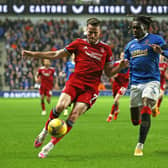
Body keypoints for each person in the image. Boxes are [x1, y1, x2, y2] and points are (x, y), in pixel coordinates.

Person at [22, 17, 128, 159]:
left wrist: (119, 67)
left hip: (90, 88)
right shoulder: (78, 44)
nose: (92, 35)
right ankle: (44, 132)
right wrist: (33, 54)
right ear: (86, 31)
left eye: (95, 33)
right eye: (90, 32)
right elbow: (56, 54)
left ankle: (49, 146)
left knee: (74, 115)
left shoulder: (106, 49)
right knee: (60, 107)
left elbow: (109, 73)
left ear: (100, 32)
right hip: (75, 82)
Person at [124, 16, 168, 156]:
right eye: (133, 27)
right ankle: (149, 107)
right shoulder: (130, 45)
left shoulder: (156, 40)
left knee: (146, 105)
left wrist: (160, 52)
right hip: (135, 84)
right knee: (135, 121)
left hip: (152, 81)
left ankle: (139, 145)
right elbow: (125, 64)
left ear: (145, 27)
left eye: (137, 27)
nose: (134, 30)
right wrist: (123, 65)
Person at [106, 52, 129, 122]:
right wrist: (113, 77)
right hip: (116, 84)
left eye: (124, 56)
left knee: (116, 100)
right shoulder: (116, 64)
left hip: (123, 85)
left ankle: (110, 115)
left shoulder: (128, 64)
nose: (123, 57)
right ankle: (117, 110)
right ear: (120, 56)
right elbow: (111, 73)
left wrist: (118, 74)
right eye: (122, 55)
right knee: (116, 101)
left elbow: (128, 75)